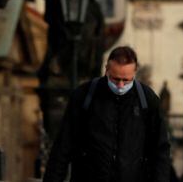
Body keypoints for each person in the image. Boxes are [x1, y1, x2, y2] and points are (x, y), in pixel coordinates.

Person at [43, 46, 171, 182]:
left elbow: (160, 150)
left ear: (135, 73)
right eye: (115, 79)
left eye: (126, 80)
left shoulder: (148, 100)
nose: (121, 86)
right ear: (106, 70)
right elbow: (63, 146)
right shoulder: (84, 96)